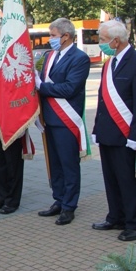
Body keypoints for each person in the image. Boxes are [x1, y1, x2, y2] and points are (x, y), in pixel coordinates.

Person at [91, 20, 136, 242]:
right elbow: (102, 100)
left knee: (128, 181)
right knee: (111, 179)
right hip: (108, 133)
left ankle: (135, 224)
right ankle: (115, 216)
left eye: (102, 39)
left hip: (126, 135)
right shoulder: (110, 64)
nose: (99, 43)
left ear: (115, 41)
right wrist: (96, 129)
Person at [35, 17, 90, 226]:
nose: (50, 39)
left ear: (66, 36)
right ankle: (58, 199)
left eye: (53, 35)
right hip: (49, 118)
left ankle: (69, 206)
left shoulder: (79, 58)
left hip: (66, 120)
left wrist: (42, 86)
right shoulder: (50, 56)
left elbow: (69, 88)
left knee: (68, 164)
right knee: (54, 164)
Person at [0, 27, 26, 214]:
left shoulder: (17, 63)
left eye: (0, 38)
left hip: (13, 121)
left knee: (13, 164)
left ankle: (12, 200)